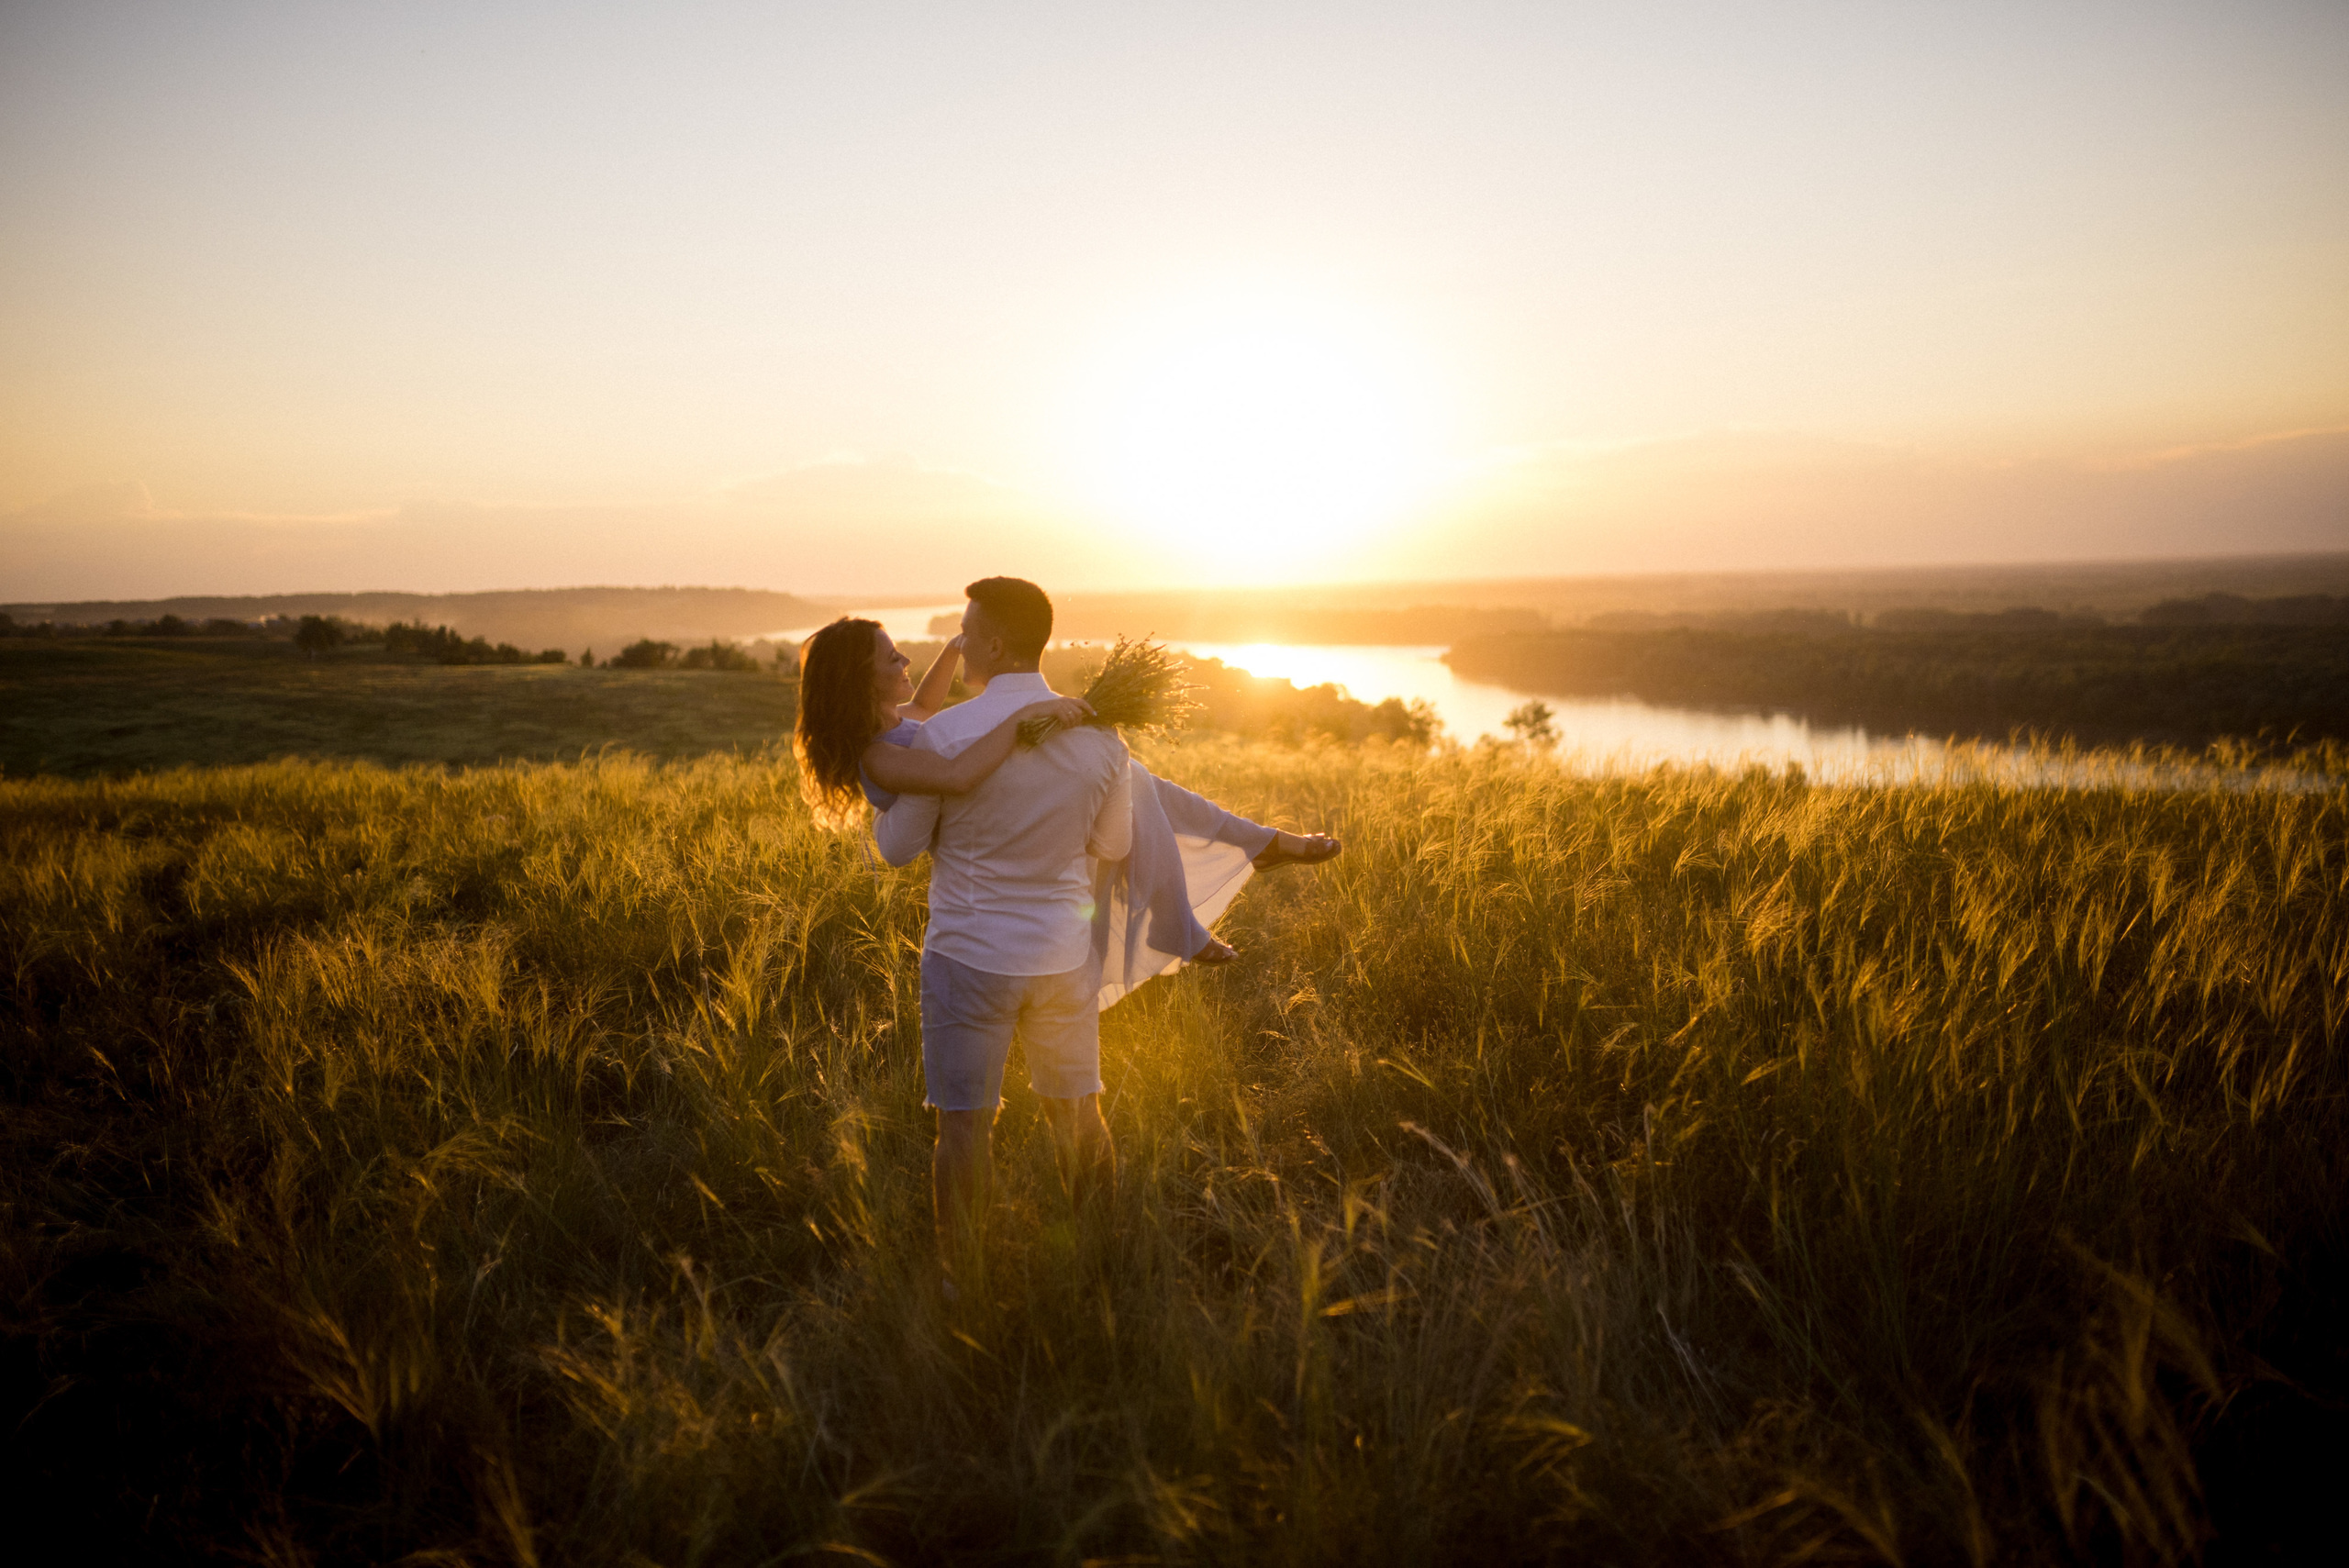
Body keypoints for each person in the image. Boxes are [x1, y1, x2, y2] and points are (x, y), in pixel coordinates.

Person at [792, 578, 1339, 1284]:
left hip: (968, 958)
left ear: (989, 642)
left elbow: (901, 847)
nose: (940, 647)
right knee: (1078, 1115)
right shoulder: (1097, 736)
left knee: (962, 1129)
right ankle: (1102, 1258)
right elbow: (1113, 845)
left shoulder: (942, 734)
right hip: (1059, 957)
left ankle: (963, 1276)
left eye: (964, 630)